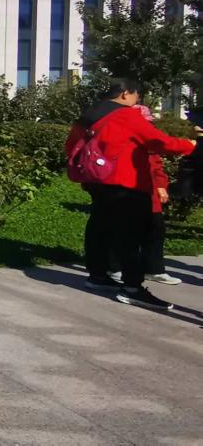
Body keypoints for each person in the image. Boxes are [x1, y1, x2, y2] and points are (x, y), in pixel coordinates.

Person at [69, 78, 197, 310]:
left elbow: (72, 147)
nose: (137, 100)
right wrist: (191, 145)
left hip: (97, 180)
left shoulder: (89, 115)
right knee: (131, 236)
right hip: (126, 183)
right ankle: (132, 288)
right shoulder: (126, 115)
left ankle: (97, 276)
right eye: (137, 95)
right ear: (126, 93)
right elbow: (159, 141)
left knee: (100, 227)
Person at [135, 103, 181, 286]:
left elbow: (157, 167)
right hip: (128, 192)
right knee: (125, 232)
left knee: (156, 230)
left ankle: (154, 269)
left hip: (150, 194)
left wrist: (161, 186)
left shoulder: (150, 143)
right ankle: (115, 268)